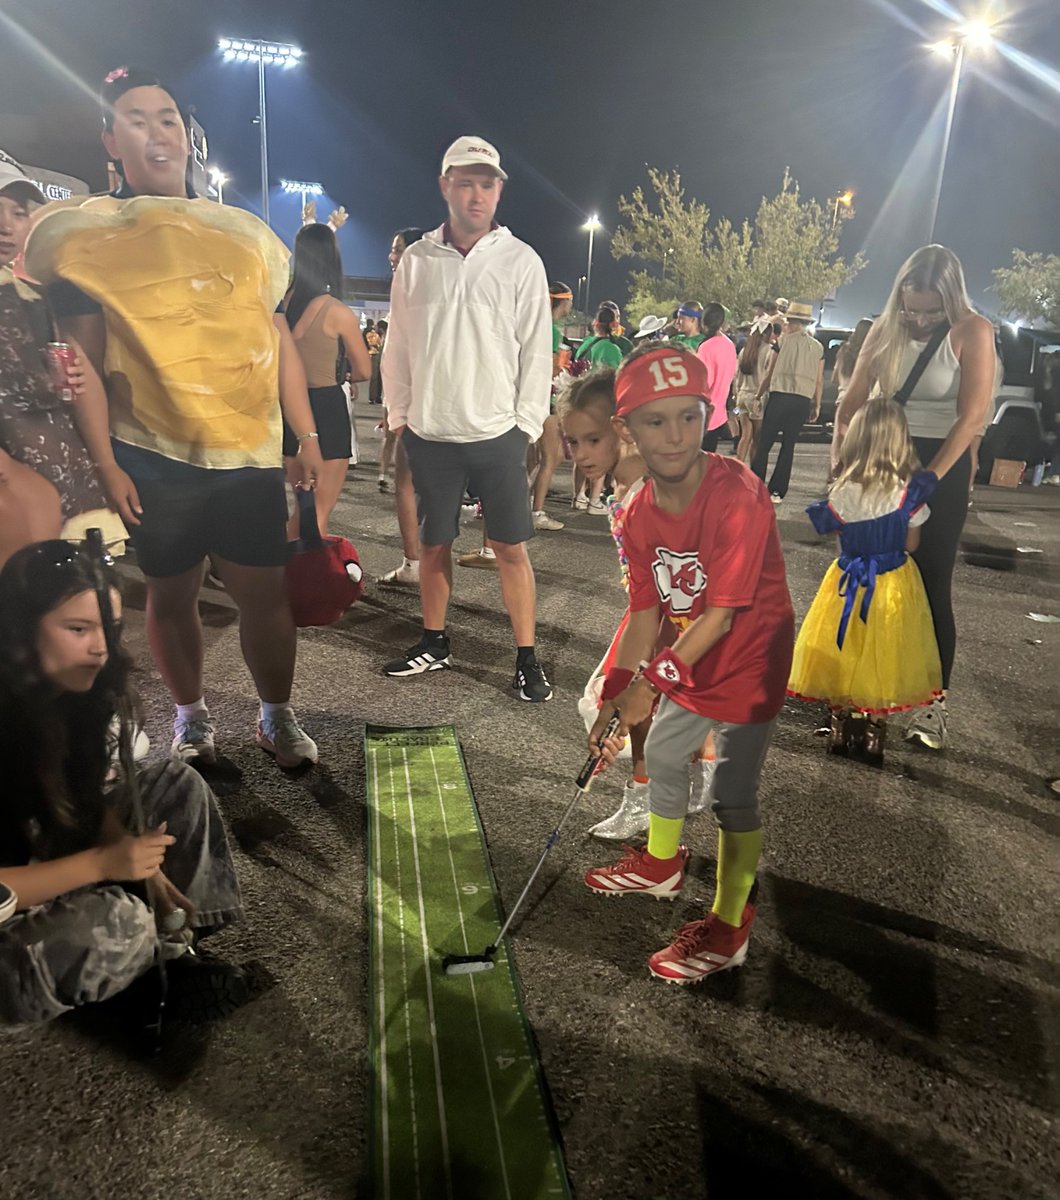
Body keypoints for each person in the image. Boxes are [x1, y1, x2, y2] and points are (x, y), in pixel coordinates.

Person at [25, 66, 323, 768]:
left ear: (187, 136)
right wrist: (105, 463)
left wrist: (304, 433)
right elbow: (85, 362)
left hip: (247, 453)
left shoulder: (248, 232)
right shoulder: (86, 232)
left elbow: (275, 339)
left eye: (167, 118)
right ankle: (191, 717)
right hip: (153, 454)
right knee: (170, 594)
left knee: (266, 597)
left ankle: (275, 716)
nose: (157, 132)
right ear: (111, 139)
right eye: (136, 118)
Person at [584, 344, 794, 984]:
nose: (674, 435)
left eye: (688, 416)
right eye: (655, 420)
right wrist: (615, 697)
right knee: (669, 754)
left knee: (732, 794)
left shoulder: (738, 492)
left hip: (750, 655)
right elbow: (645, 613)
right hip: (688, 650)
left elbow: (724, 614)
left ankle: (730, 928)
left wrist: (650, 683)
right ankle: (663, 863)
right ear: (628, 430)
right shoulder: (640, 509)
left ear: (711, 413)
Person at [0, 540, 247, 1029]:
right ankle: (129, 975)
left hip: (35, 858)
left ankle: (172, 958)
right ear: (21, 630)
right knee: (119, 922)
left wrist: (140, 865)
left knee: (175, 782)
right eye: (78, 629)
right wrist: (104, 863)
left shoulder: (69, 691)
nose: (102, 648)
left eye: (110, 629)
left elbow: (83, 797)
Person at [381, 136, 553, 701]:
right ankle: (434, 640)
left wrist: (525, 424)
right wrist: (401, 415)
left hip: (497, 433)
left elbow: (537, 349)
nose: (477, 194)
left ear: (499, 189)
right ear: (445, 185)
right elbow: (398, 344)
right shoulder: (417, 259)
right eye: (465, 181)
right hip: (431, 432)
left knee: (510, 549)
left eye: (488, 183)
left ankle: (526, 657)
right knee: (435, 544)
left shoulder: (521, 260)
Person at [832, 245, 996, 751]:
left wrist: (931, 477)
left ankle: (931, 705)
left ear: (952, 298)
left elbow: (971, 416)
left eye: (932, 310)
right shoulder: (884, 330)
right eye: (912, 309)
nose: (921, 320)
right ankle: (859, 696)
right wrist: (841, 463)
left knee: (929, 581)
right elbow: (850, 402)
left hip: (940, 462)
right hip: (882, 459)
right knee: (869, 578)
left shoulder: (973, 330)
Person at [560, 368, 715, 839]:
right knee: (652, 704)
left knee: (643, 705)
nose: (580, 454)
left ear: (623, 430)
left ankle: (646, 796)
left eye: (592, 440)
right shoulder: (627, 482)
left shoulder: (653, 489)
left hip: (678, 615)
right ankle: (696, 777)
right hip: (657, 608)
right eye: (573, 442)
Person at [788, 400, 942, 760]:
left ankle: (840, 726)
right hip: (892, 584)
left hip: (847, 581)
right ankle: (874, 732)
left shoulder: (842, 490)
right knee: (883, 652)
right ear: (901, 441)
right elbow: (912, 543)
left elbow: (833, 532)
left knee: (846, 649)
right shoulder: (909, 493)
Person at [0, 150, 125, 564]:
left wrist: (106, 465)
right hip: (19, 497)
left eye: (18, 213)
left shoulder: (34, 293)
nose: (6, 226)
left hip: (70, 484)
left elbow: (81, 377)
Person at [282, 223, 370, 538]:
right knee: (318, 513)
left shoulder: (281, 303)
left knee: (301, 506)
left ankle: (287, 574)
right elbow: (363, 370)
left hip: (288, 411)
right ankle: (300, 581)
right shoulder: (338, 312)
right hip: (326, 409)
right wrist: (343, 373)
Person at [378, 228, 426, 586]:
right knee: (427, 485)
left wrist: (396, 405)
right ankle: (424, 560)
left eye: (397, 250)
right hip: (428, 401)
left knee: (406, 482)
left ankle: (414, 564)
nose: (392, 256)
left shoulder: (411, 293)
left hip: (417, 403)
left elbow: (399, 355)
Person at [751, 300, 824, 504]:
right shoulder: (818, 348)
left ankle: (755, 485)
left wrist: (758, 396)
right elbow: (819, 381)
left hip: (780, 397)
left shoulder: (781, 343)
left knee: (764, 443)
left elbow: (769, 373)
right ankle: (777, 491)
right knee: (788, 446)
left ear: (791, 322)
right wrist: (816, 405)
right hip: (802, 401)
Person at [526, 281, 572, 533]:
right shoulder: (552, 330)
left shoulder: (537, 324)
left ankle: (527, 506)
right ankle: (537, 511)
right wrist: (564, 369)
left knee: (544, 458)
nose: (571, 305)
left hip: (533, 397)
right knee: (550, 458)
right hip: (545, 400)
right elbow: (551, 368)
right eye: (570, 300)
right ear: (561, 302)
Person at [733, 320, 778, 464]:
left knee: (745, 435)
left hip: (742, 396)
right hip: (757, 398)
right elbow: (768, 376)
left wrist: (736, 395)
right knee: (757, 439)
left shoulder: (744, 350)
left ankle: (738, 467)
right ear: (767, 334)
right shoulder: (769, 351)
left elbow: (737, 378)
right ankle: (754, 471)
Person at [696, 301, 738, 452]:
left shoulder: (706, 347)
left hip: (703, 414)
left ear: (703, 322)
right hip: (719, 413)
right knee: (709, 460)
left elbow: (705, 382)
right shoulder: (729, 345)